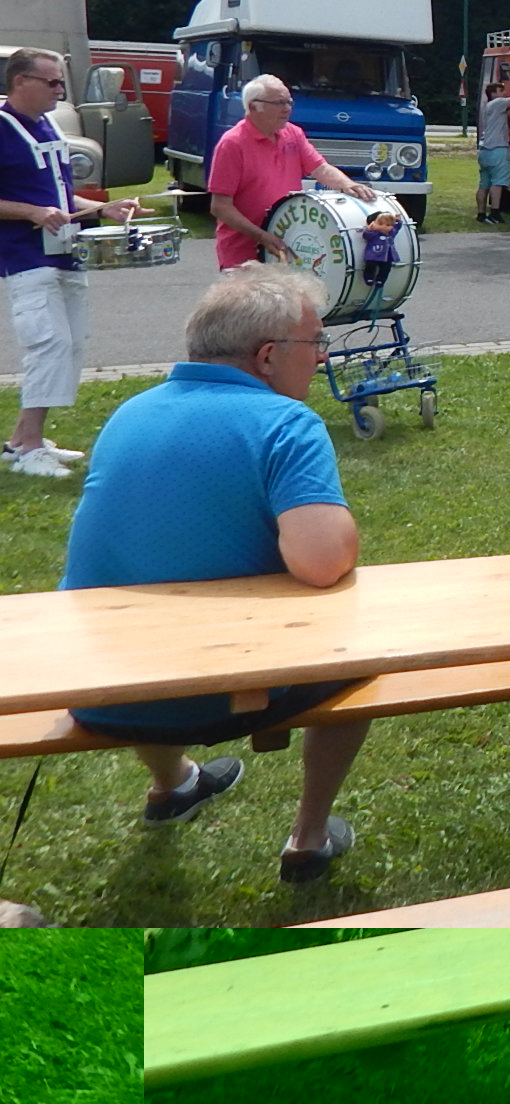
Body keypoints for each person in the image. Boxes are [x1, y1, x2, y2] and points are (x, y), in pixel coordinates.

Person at [59, 265, 371, 881]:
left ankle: (173, 784)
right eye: (316, 342)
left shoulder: (130, 411)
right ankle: (308, 839)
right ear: (267, 356)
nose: (323, 356)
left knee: (143, 624)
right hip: (217, 691)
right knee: (361, 654)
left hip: (98, 688)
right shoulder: (285, 423)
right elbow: (322, 563)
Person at [0, 49, 142, 478]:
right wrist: (31, 212)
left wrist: (102, 209)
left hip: (66, 251)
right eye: (52, 82)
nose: (60, 91)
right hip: (26, 256)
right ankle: (29, 449)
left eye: (61, 82)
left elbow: (60, 197)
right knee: (48, 344)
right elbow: (37, 205)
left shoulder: (49, 125)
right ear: (21, 81)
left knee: (71, 342)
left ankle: (23, 440)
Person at [209, 75, 378, 269]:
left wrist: (348, 184)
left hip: (288, 247)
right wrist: (262, 236)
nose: (287, 108)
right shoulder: (232, 144)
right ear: (254, 106)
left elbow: (321, 168)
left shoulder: (293, 134)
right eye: (279, 103)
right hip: (243, 255)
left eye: (289, 102)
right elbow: (220, 207)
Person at [475, 77, 510, 223]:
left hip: (484, 150)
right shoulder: (498, 103)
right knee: (497, 183)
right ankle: (495, 214)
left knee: (484, 184)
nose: (504, 94)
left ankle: (481, 214)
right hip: (497, 149)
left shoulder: (487, 106)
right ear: (493, 93)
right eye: (501, 91)